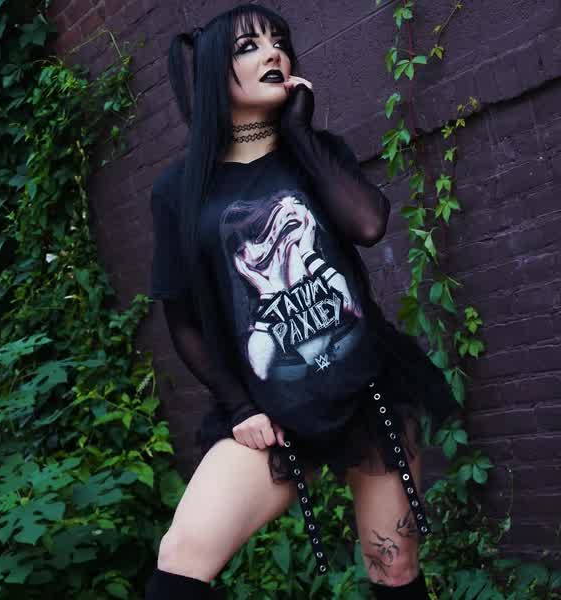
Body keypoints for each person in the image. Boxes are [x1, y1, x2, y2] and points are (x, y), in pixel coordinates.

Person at [145, 4, 459, 599]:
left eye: (279, 41)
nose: (273, 53)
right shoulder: (179, 190)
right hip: (269, 411)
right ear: (212, 71)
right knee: (181, 558)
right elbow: (181, 318)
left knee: (394, 568)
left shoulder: (316, 151)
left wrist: (299, 136)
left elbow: (368, 225)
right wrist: (239, 406)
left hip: (366, 393)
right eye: (248, 46)